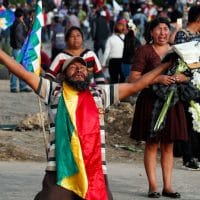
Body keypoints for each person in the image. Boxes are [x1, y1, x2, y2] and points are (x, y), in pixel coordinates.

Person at [0, 46, 171, 200]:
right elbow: (21, 71)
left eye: (82, 67)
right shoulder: (52, 91)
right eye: (73, 67)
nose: (79, 70)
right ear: (63, 74)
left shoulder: (100, 93)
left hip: (95, 170)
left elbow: (137, 85)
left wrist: (164, 66)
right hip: (61, 169)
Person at [129, 17, 189, 198]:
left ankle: (168, 186)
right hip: (150, 103)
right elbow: (133, 79)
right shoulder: (144, 51)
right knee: (152, 144)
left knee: (169, 145)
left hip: (172, 103)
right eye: (159, 29)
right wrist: (157, 79)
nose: (163, 33)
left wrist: (181, 78)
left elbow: (189, 74)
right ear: (151, 32)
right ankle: (153, 186)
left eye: (166, 29)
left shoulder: (176, 51)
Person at [174, 5, 200, 170]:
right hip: (187, 84)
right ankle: (188, 156)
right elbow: (182, 61)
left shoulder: (198, 35)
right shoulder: (182, 35)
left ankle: (197, 154)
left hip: (198, 83)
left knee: (198, 119)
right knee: (189, 120)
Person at [9, 7, 31, 93]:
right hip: (19, 49)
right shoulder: (19, 24)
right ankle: (15, 86)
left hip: (16, 48)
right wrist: (26, 42)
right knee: (18, 68)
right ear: (21, 16)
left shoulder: (15, 23)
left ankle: (20, 86)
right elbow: (19, 37)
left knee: (19, 68)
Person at [102, 18, 127, 83]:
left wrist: (103, 64)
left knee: (113, 79)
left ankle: (114, 92)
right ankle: (122, 91)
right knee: (123, 78)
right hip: (123, 61)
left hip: (113, 62)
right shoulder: (126, 38)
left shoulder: (110, 39)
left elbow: (106, 53)